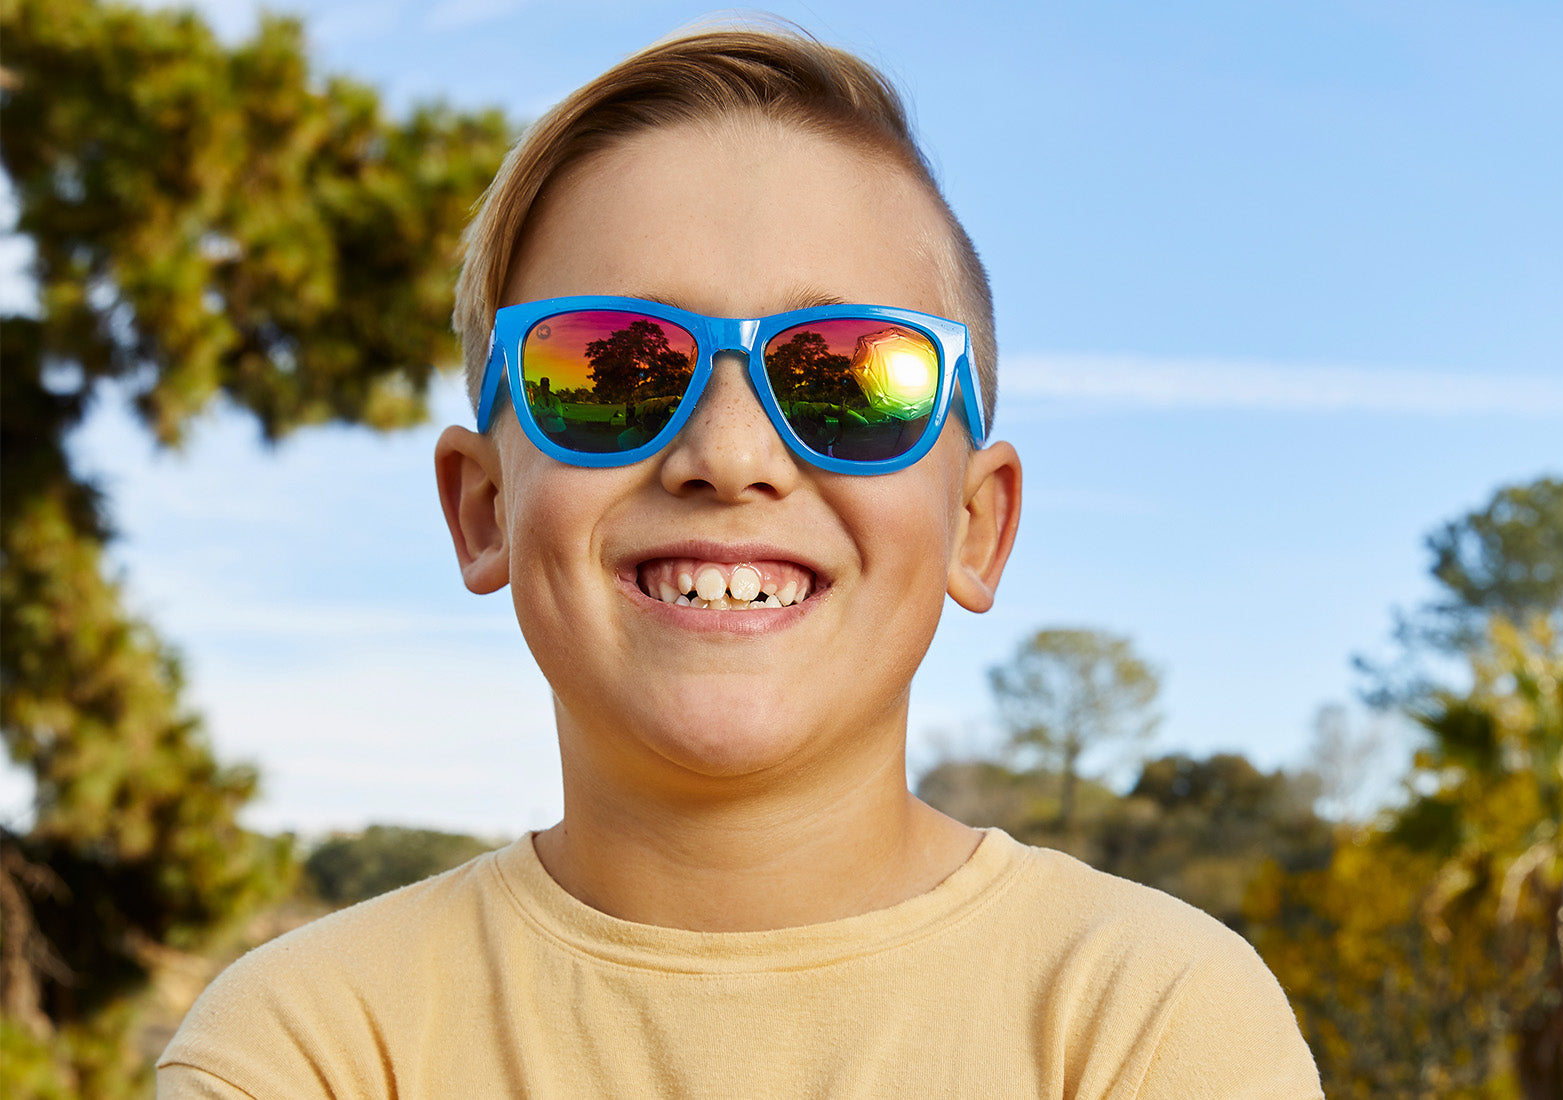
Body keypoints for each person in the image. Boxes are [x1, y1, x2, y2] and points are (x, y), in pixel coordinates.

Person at [158, 25, 1324, 1099]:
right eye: (611, 368)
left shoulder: (1145, 1022)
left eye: (850, 375)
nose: (727, 453)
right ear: (483, 508)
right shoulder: (311, 1045)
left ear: (978, 523)